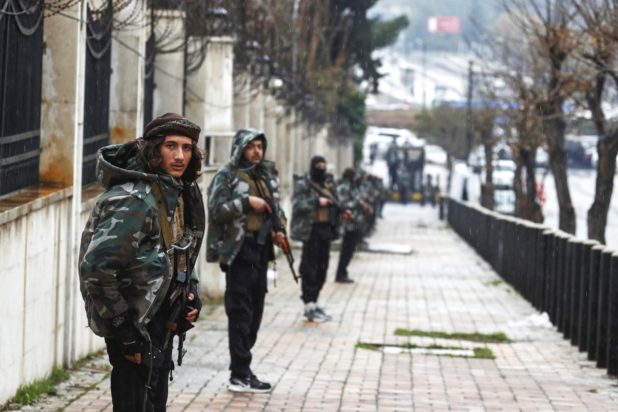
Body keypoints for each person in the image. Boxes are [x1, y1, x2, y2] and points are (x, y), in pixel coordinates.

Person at [79, 112, 206, 411]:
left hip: (160, 320)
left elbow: (181, 250)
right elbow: (96, 269)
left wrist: (190, 293)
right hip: (134, 323)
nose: (180, 156)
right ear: (154, 149)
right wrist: (124, 330)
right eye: (171, 146)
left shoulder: (177, 191)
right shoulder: (135, 199)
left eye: (187, 148)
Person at [206, 128, 287, 393]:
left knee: (255, 312)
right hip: (238, 251)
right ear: (240, 148)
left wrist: (279, 230)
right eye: (251, 146)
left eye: (260, 146)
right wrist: (245, 202)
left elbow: (277, 208)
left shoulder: (265, 175)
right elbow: (216, 210)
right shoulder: (227, 175)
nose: (256, 151)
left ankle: (242, 366)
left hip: (261, 249)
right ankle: (240, 373)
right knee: (240, 312)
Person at [290, 156, 350, 322]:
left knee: (322, 268)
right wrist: (316, 201)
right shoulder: (303, 183)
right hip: (311, 231)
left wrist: (342, 211)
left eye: (323, 166)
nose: (321, 169)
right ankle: (308, 304)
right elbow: (297, 204)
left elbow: (337, 202)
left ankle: (314, 302)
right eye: (318, 166)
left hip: (326, 231)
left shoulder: (329, 184)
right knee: (309, 268)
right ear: (312, 167)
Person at [334, 168, 364, 283]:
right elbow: (342, 204)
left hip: (354, 222)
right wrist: (357, 203)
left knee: (350, 249)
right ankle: (340, 274)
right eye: (354, 175)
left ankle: (343, 272)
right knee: (346, 249)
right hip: (347, 224)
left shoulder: (352, 186)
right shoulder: (344, 187)